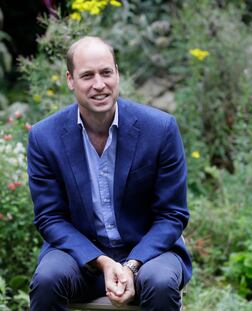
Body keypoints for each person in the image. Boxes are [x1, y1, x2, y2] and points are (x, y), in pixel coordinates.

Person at [27, 36, 192, 311]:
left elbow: (172, 214)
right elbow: (50, 217)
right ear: (70, 80)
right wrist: (103, 262)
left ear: (117, 72)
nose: (99, 84)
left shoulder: (160, 129)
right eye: (87, 75)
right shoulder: (45, 137)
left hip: (149, 253)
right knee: (47, 279)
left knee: (162, 283)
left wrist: (131, 264)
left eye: (106, 72)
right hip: (80, 256)